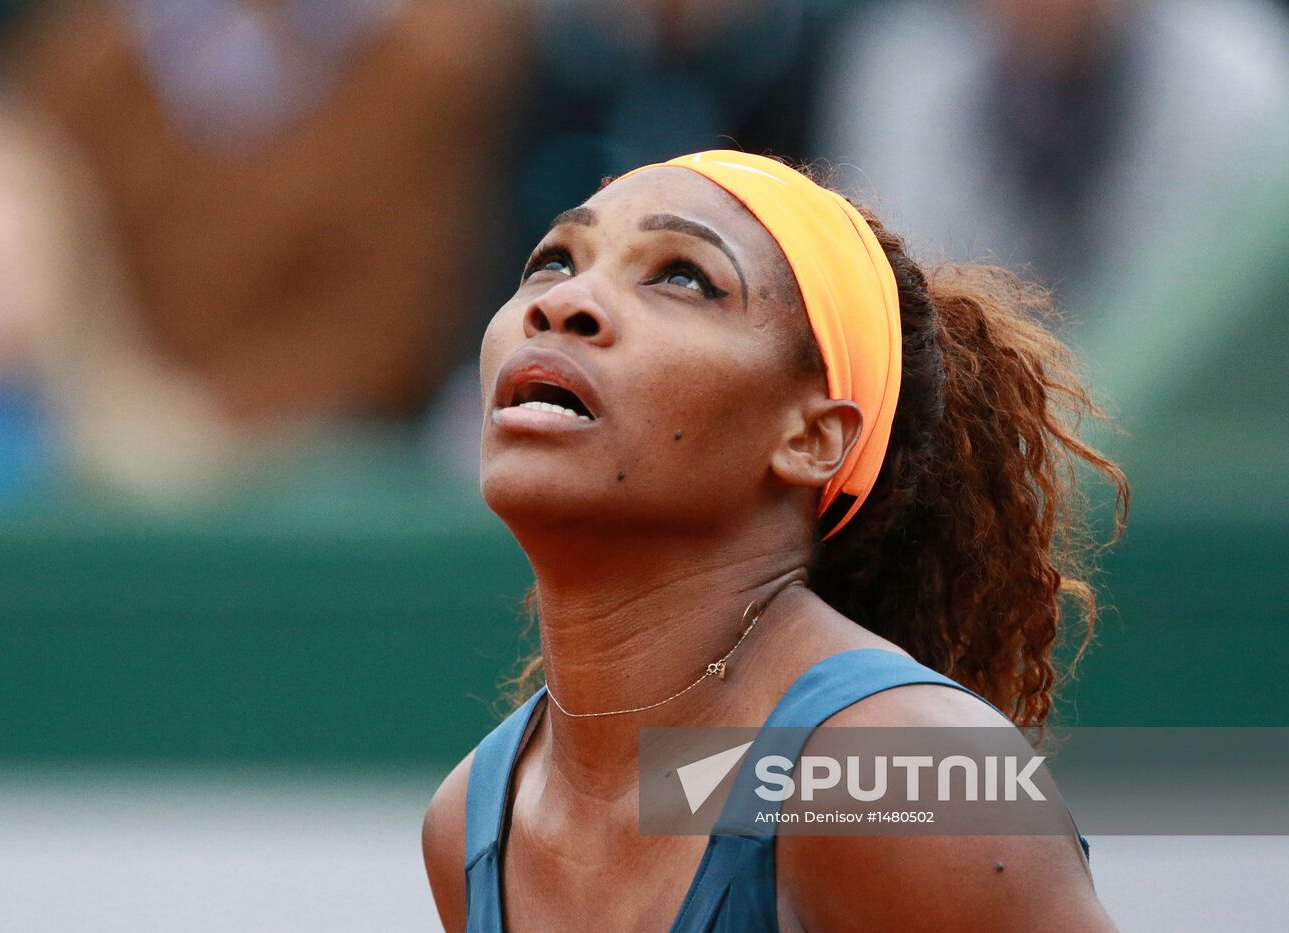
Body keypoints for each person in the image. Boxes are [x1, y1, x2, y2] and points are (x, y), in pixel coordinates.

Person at [422, 151, 1127, 931]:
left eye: (682, 277)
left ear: (812, 436)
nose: (566, 304)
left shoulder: (900, 772)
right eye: (553, 261)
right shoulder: (474, 814)